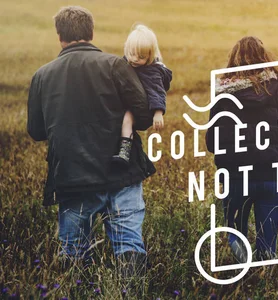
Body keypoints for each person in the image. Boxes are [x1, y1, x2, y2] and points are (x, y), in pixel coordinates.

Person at [27, 6, 156, 282]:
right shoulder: (115, 65)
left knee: (73, 254)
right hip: (121, 173)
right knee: (129, 247)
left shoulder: (42, 76)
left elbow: (36, 131)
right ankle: (130, 294)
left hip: (72, 178)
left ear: (59, 35)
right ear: (91, 32)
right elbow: (144, 116)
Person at [205, 36, 278, 262]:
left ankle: (242, 271)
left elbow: (212, 142)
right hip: (272, 174)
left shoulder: (223, 94)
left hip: (236, 177)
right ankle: (265, 280)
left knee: (234, 232)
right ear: (264, 57)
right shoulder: (276, 88)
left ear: (233, 61)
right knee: (268, 246)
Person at [112, 24, 173, 166]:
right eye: (132, 53)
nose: (134, 59)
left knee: (127, 119)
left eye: (141, 57)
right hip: (127, 101)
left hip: (141, 105)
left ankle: (124, 152)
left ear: (150, 56)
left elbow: (157, 91)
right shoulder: (126, 63)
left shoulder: (151, 71)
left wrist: (158, 112)